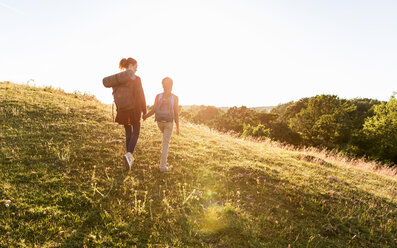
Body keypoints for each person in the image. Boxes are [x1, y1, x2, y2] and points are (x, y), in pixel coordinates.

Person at [115, 57, 146, 170]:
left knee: (128, 132)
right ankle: (129, 155)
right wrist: (144, 110)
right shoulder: (136, 79)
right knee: (136, 132)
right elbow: (141, 95)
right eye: (136, 67)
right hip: (134, 109)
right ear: (131, 65)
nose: (137, 69)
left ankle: (128, 158)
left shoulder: (119, 78)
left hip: (123, 110)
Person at [143, 77, 179, 172]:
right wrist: (178, 127)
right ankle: (163, 167)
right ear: (171, 85)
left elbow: (154, 109)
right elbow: (176, 113)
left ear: (162, 85)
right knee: (165, 144)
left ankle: (163, 163)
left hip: (159, 122)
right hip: (168, 123)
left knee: (164, 140)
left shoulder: (158, 96)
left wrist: (145, 116)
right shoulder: (174, 97)